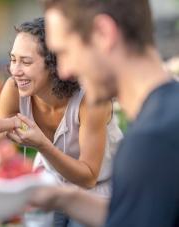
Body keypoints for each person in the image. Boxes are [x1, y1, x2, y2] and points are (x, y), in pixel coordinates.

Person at [26, 0, 179, 227]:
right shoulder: (168, 116)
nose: (63, 71)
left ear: (103, 33)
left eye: (65, 52)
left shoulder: (151, 141)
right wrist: (63, 197)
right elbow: (135, 213)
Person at [0, 17, 122, 226]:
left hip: (98, 191)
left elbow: (88, 177)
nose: (15, 70)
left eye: (26, 62)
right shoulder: (14, 89)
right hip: (50, 182)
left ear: (54, 64)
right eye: (13, 59)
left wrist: (42, 145)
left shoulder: (91, 98)